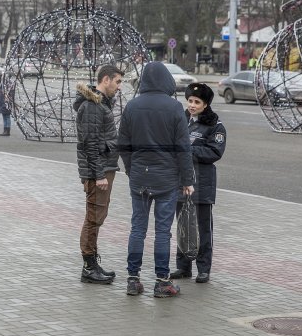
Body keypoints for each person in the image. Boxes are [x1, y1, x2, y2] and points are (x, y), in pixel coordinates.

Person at [118, 61, 195, 298]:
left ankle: (133, 279)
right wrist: (187, 179)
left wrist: (132, 170)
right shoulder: (174, 108)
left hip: (140, 178)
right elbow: (183, 148)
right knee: (163, 232)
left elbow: (124, 145)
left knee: (137, 229)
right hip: (166, 179)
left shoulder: (132, 106)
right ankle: (162, 282)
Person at [73, 64, 125, 285]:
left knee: (97, 217)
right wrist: (99, 174)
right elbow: (90, 144)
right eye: (118, 81)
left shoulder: (100, 104)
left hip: (104, 168)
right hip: (99, 171)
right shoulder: (93, 106)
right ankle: (89, 267)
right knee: (93, 218)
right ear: (106, 79)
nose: (119, 87)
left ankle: (93, 263)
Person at [169, 83, 226, 284]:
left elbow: (214, 152)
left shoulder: (215, 125)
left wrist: (187, 150)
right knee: (183, 226)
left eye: (197, 102)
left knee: (202, 229)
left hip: (202, 184)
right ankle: (183, 267)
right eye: (190, 101)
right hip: (180, 183)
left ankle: (203, 268)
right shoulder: (181, 120)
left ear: (206, 104)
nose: (192, 105)